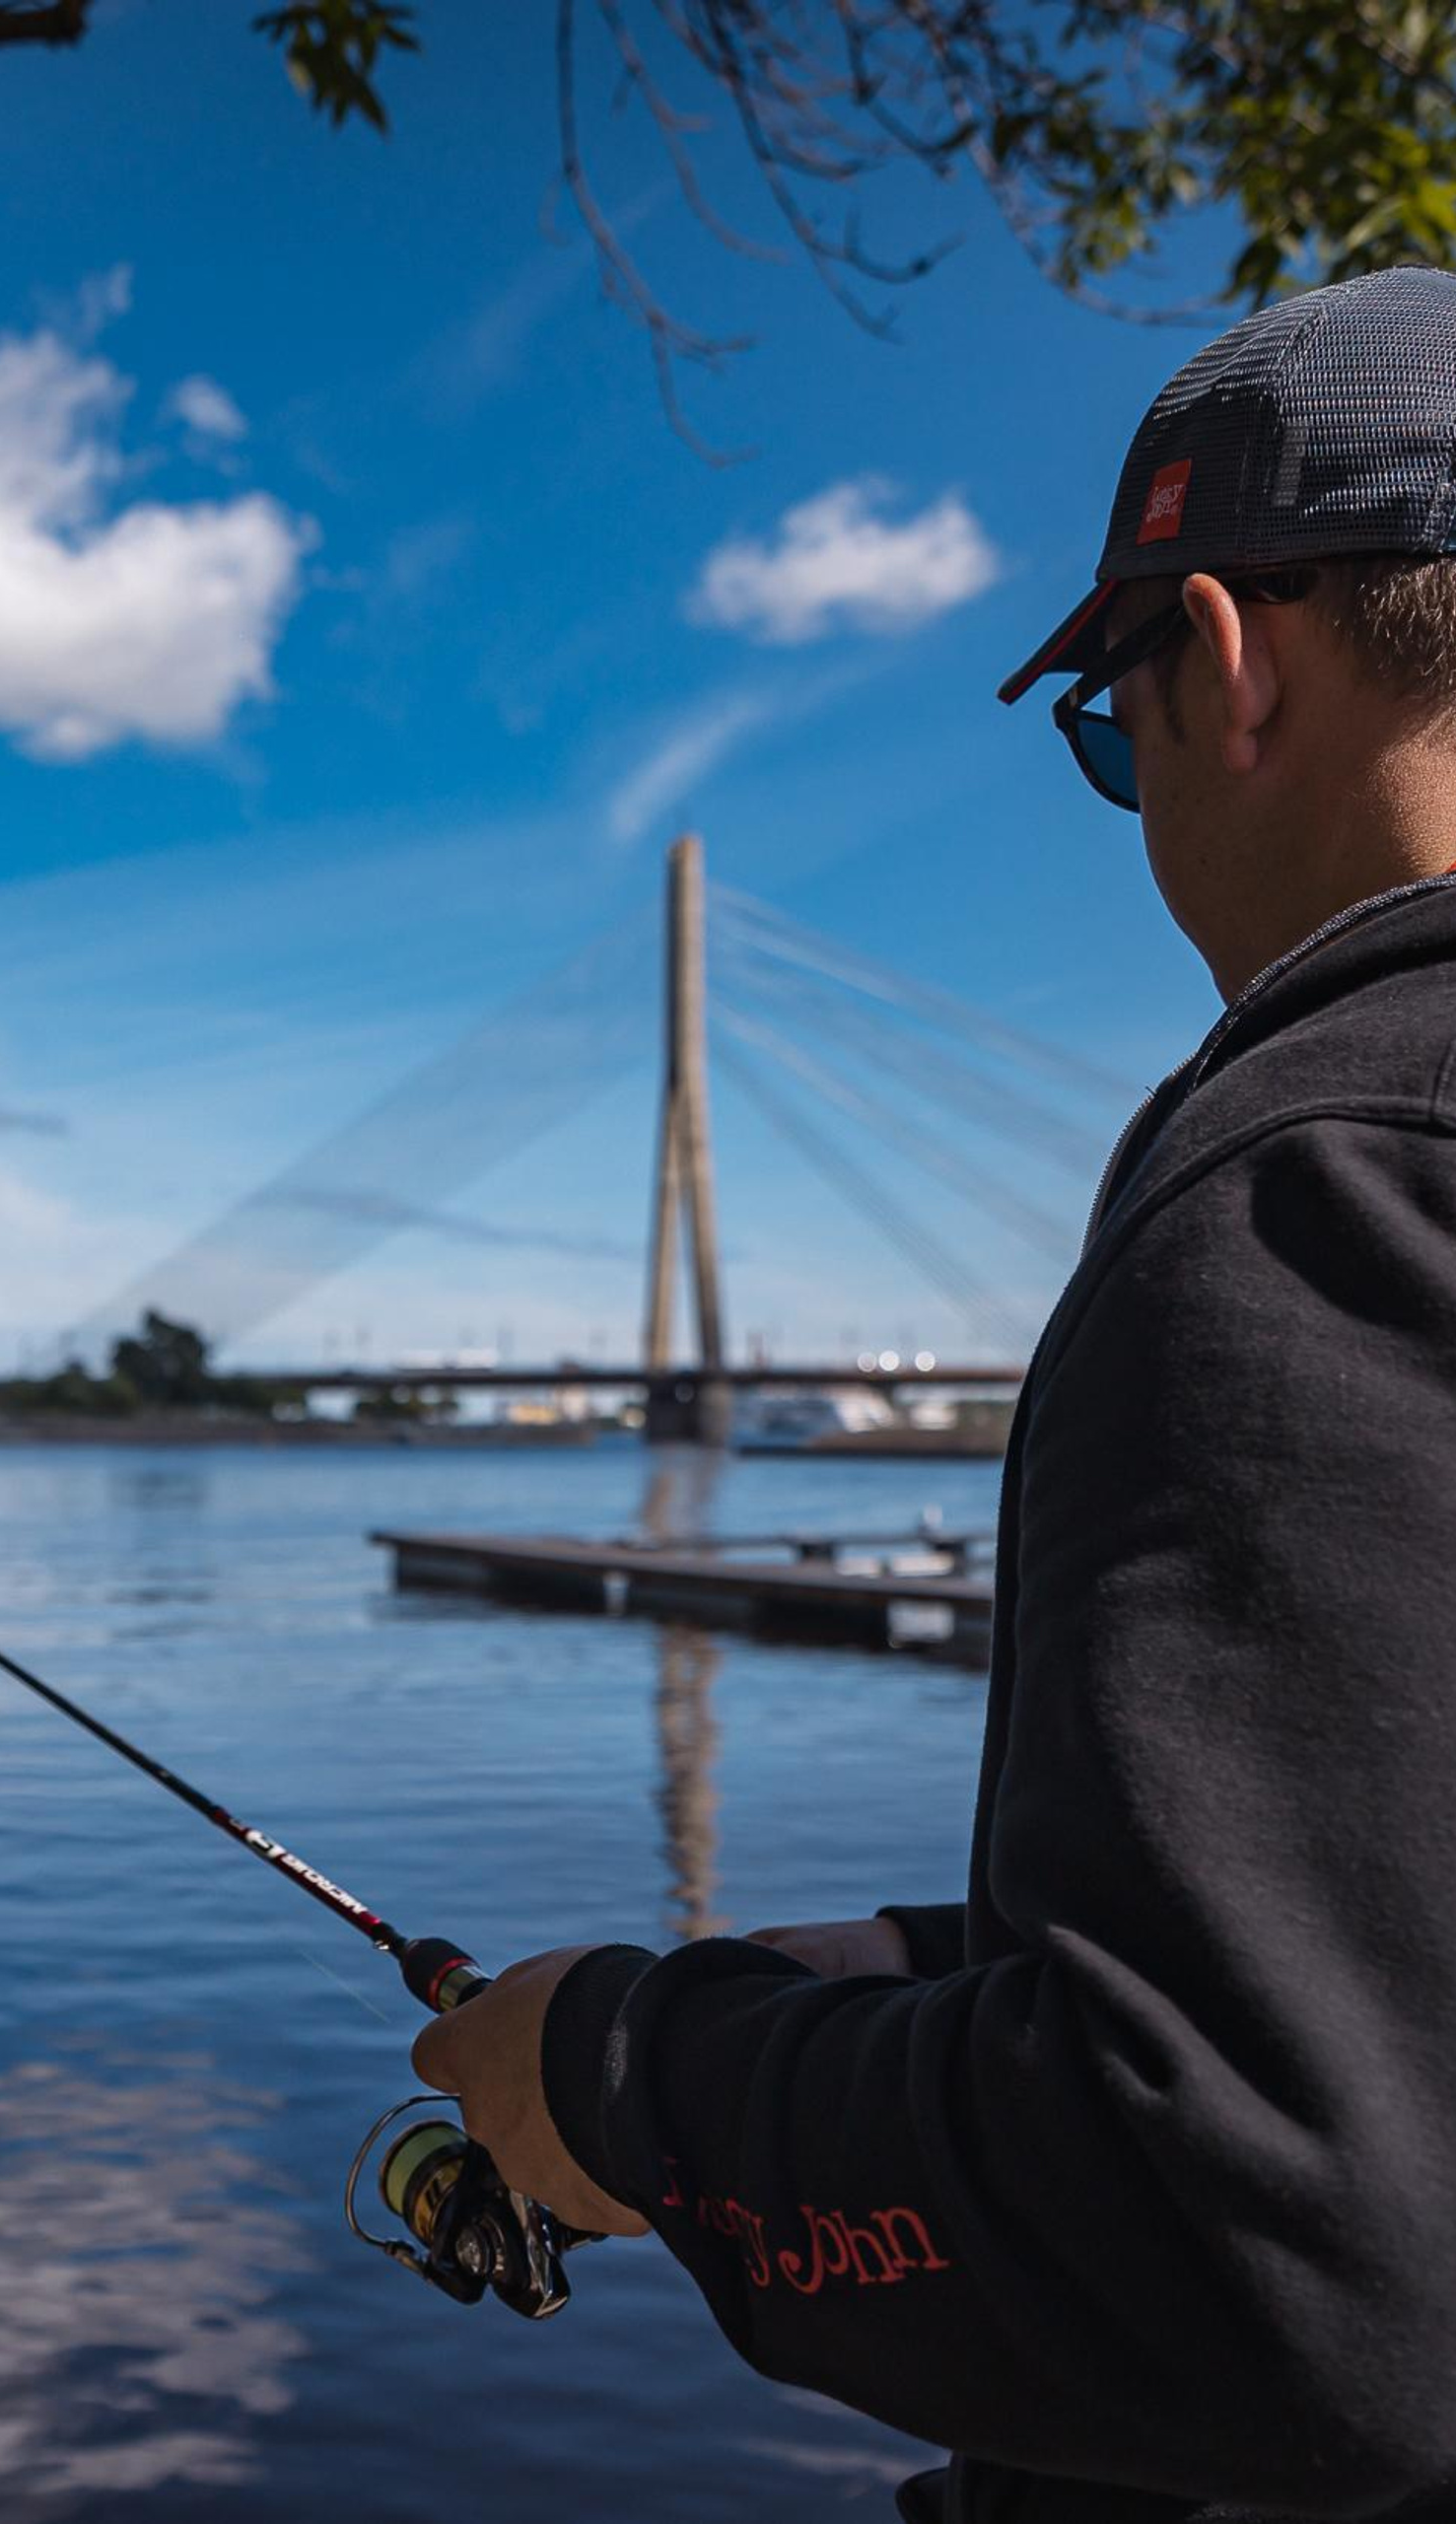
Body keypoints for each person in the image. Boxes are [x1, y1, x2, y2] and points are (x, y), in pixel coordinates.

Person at [412, 262, 1456, 2524]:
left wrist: (626, 2081)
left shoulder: (1314, 1183)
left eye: (1104, 720)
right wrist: (907, 1977)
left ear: (1225, 656)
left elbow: (1261, 2257)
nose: (1128, 781)